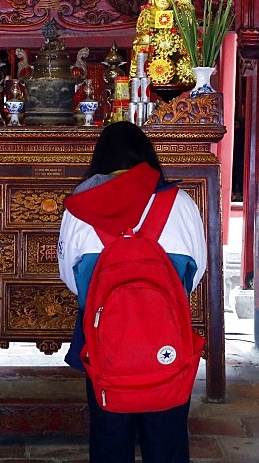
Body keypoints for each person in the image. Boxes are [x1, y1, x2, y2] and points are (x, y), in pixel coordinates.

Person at [57, 121, 206, 462]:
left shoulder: (79, 207)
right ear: (148, 158)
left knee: (109, 436)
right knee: (167, 438)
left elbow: (69, 277)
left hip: (103, 342)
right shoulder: (181, 203)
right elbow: (197, 270)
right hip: (167, 341)